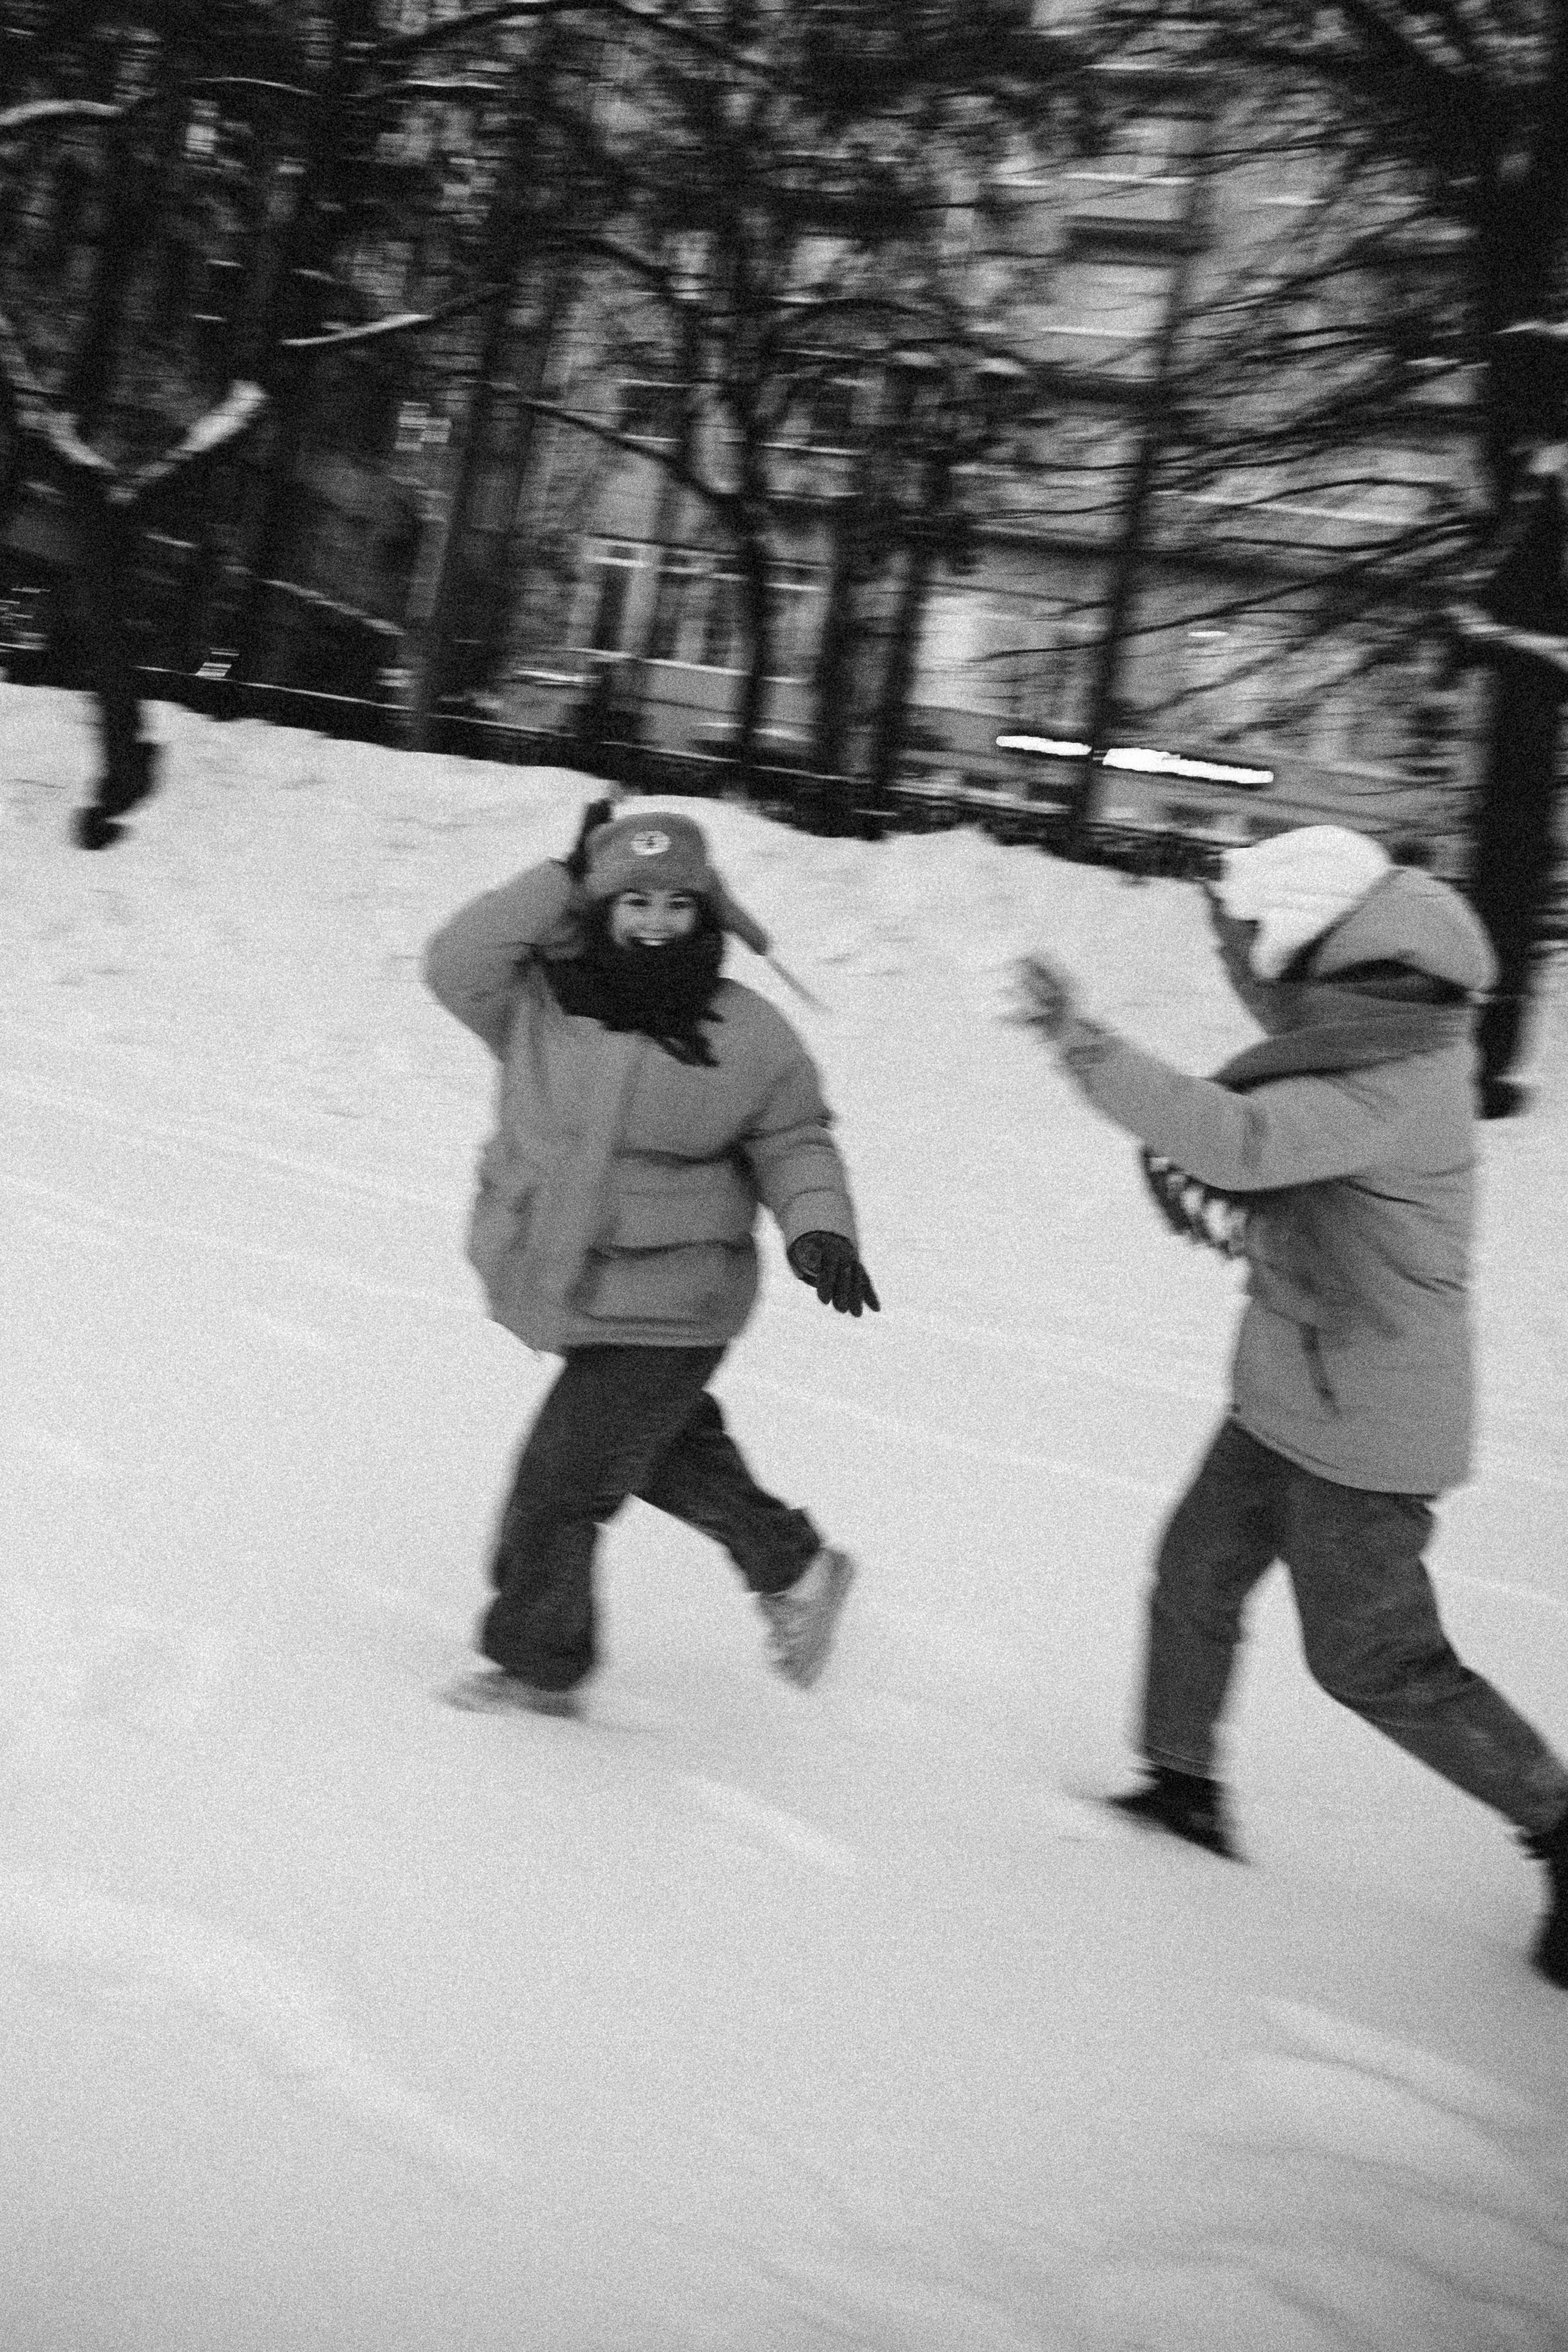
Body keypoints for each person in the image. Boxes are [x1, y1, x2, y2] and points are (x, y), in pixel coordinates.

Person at [1008, 824, 1568, 1991]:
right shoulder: (1378, 1015)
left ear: (1324, 944)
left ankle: (1559, 1824)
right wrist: (1229, 915)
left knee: (1373, 1660)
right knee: (1194, 1571)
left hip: (1369, 1426)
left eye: (1272, 942)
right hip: (1290, 1390)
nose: (1264, 970)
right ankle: (1182, 1785)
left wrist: (1082, 1044)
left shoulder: (1393, 1077)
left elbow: (1244, 1138)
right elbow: (1282, 1011)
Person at [423, 799, 879, 1717]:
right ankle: (794, 1568)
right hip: (573, 1278)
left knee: (559, 1486)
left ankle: (538, 1667)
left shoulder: (747, 1032)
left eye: (679, 904)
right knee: (653, 1447)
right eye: (635, 901)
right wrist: (555, 878)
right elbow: (452, 962)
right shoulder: (538, 1002)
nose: (657, 922)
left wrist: (819, 1228)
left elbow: (795, 1140)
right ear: (600, 905)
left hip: (677, 1301)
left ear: (706, 913)